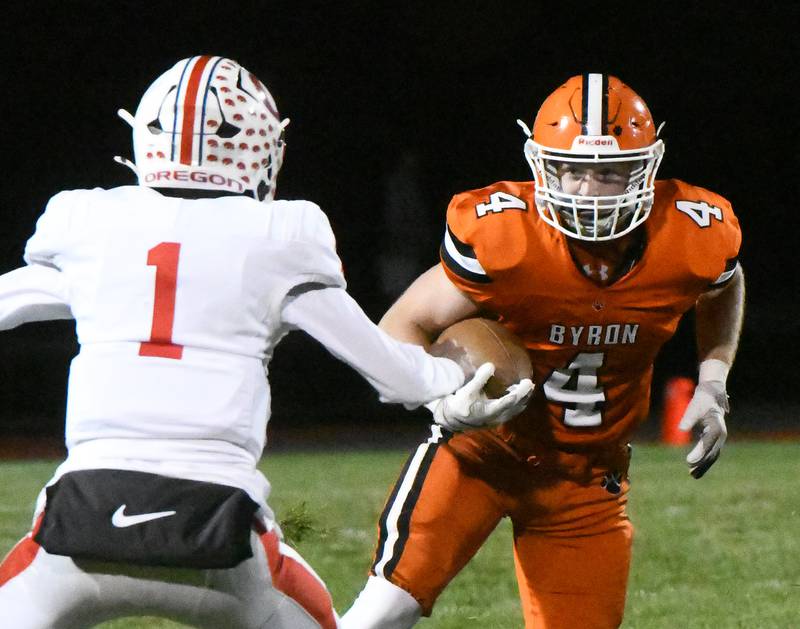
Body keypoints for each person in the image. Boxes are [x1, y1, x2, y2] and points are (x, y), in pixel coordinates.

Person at [0, 56, 532, 629]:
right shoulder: (281, 235)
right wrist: (457, 383)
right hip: (220, 541)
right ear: (260, 147)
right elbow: (394, 374)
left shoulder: (89, 225)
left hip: (72, 534)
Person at [341, 73, 745, 629]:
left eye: (608, 171)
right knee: (382, 613)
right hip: (479, 456)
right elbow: (401, 324)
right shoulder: (507, 236)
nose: (586, 189)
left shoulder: (693, 235)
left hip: (586, 482)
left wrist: (712, 381)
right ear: (542, 166)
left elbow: (724, 284)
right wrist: (439, 400)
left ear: (647, 169)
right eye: (571, 169)